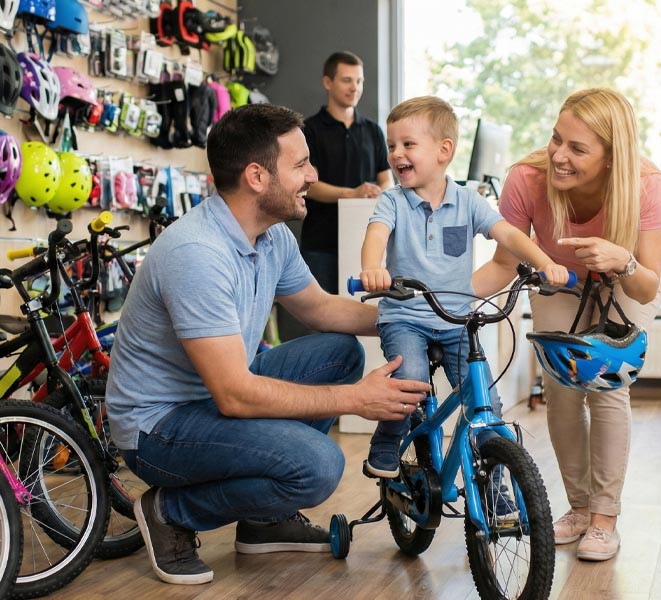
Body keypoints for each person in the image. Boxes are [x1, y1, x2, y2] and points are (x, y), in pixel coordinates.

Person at [105, 104, 430, 586]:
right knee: (319, 467)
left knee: (339, 351)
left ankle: (262, 519)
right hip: (160, 428)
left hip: (212, 402)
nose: (313, 176)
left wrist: (419, 317)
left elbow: (321, 309)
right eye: (300, 165)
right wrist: (356, 400)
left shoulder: (271, 236)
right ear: (257, 176)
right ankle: (170, 511)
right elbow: (234, 395)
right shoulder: (197, 254)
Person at [472, 88, 661, 561]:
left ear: (610, 157)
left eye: (578, 148)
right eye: (556, 139)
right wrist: (446, 299)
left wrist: (621, 261)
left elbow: (646, 286)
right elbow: (503, 263)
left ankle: (605, 516)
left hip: (622, 281)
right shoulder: (526, 178)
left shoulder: (645, 184)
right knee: (560, 391)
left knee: (605, 386)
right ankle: (579, 507)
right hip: (559, 282)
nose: (558, 155)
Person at [358, 95, 570, 480]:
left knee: (485, 403)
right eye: (392, 146)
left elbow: (507, 234)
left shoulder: (468, 202)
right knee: (412, 383)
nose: (396, 154)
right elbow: (376, 236)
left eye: (408, 144)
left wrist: (546, 263)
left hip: (456, 319)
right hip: (405, 316)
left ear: (444, 150)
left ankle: (496, 488)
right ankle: (388, 438)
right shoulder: (393, 202)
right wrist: (372, 268)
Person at [300, 51, 393, 294]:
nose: (355, 88)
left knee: (359, 313)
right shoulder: (309, 130)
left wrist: (379, 194)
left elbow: (386, 180)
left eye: (359, 81)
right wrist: (352, 194)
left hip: (362, 240)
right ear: (327, 82)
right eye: (347, 80)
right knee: (323, 318)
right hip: (321, 243)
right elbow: (310, 185)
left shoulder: (373, 131)